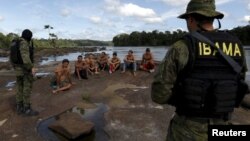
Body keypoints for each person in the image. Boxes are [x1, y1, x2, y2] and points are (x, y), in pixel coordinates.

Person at [151, 0, 248, 141]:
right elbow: (239, 82)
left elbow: (159, 95)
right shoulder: (237, 46)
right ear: (213, 18)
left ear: (191, 19)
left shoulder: (182, 46)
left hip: (187, 130)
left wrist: (183, 97)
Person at [10, 29, 39, 116]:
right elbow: (25, 58)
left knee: (19, 88)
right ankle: (27, 109)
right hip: (24, 70)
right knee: (27, 89)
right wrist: (31, 68)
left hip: (18, 69)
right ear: (29, 37)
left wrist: (15, 67)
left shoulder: (15, 42)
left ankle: (19, 107)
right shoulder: (24, 43)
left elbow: (11, 57)